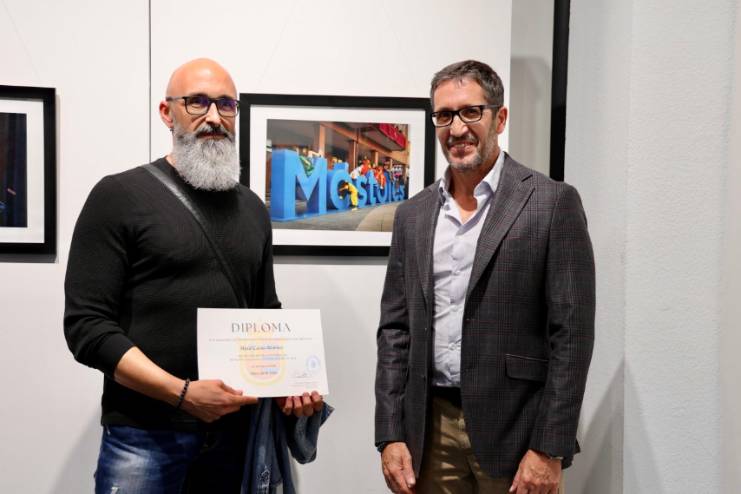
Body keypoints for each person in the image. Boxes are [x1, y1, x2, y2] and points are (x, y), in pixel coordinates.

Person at [64, 58, 324, 493]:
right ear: (167, 113)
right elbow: (87, 327)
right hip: (144, 436)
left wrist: (290, 384)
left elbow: (265, 312)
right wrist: (181, 394)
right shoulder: (118, 196)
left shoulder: (252, 208)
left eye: (226, 104)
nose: (214, 117)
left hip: (236, 438)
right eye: (197, 102)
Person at [375, 59, 595, 494]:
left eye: (470, 112)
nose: (456, 129)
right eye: (444, 115)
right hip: (429, 432)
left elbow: (571, 336)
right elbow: (395, 330)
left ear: (500, 117)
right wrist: (390, 432)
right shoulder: (413, 215)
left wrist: (549, 447)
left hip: (519, 432)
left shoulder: (552, 203)